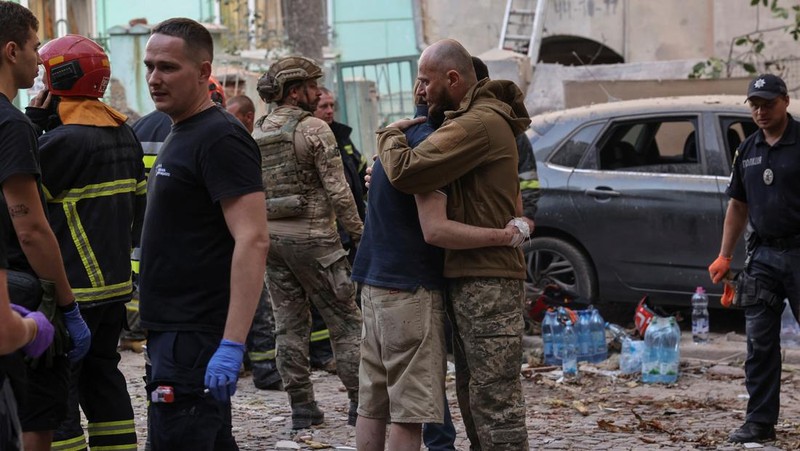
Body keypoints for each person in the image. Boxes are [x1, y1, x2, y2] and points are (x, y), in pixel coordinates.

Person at [353, 74, 530, 450]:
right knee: (409, 412)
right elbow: (435, 230)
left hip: (371, 282)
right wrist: (503, 237)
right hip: (410, 288)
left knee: (373, 404)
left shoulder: (395, 146)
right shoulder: (427, 151)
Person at [139, 17, 269, 450]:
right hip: (171, 332)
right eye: (150, 66)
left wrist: (232, 343)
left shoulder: (219, 138)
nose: (155, 78)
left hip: (194, 336)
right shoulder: (180, 131)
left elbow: (253, 238)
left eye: (168, 67)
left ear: (202, 71)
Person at [23, 34, 145, 451]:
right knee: (104, 375)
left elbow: (21, 208)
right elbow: (138, 214)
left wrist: (33, 127)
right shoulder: (124, 134)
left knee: (60, 387)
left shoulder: (60, 142)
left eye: (44, 74)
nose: (39, 84)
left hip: (70, 289)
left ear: (62, 77)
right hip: (113, 286)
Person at [0, 3, 92, 451]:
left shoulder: (18, 124)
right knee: (33, 416)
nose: (40, 60)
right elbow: (30, 227)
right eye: (36, 48)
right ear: (11, 50)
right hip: (19, 297)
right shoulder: (10, 125)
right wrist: (66, 305)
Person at [254, 56, 363, 430]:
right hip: (318, 242)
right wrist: (362, 234)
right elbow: (340, 191)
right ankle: (359, 405)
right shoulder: (315, 128)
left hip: (273, 241)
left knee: (288, 325)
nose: (319, 93)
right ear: (295, 91)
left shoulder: (259, 129)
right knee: (346, 322)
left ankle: (302, 407)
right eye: (314, 86)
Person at [708, 73, 800, 444]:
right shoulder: (747, 150)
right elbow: (738, 205)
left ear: (786, 101)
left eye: (768, 104)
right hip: (762, 256)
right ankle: (759, 422)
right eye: (755, 105)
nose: (760, 111)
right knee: (759, 342)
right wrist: (724, 255)